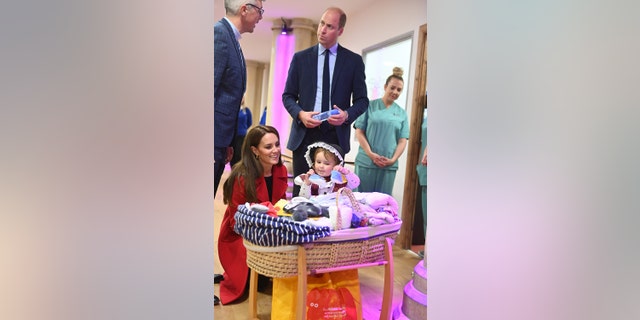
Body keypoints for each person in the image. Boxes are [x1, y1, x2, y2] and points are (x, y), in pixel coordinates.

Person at [283, 7, 369, 196]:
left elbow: (363, 101)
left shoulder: (353, 61)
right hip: (304, 135)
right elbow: (287, 96)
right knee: (302, 193)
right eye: (322, 23)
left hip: (334, 137)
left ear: (340, 31)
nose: (322, 29)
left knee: (331, 195)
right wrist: (300, 114)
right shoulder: (300, 59)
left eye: (329, 26)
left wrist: (346, 115)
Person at [217, 125, 288, 304]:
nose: (276, 150)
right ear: (255, 150)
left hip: (270, 226)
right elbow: (236, 222)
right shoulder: (242, 177)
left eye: (277, 144)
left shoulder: (281, 170)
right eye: (268, 147)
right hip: (240, 232)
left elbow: (281, 206)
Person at [214, 0, 265, 196]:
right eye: (260, 11)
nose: (261, 17)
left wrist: (228, 143)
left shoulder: (232, 39)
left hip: (221, 142)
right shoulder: (219, 34)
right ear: (244, 9)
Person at [354, 67, 409, 195]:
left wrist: (393, 159)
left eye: (399, 90)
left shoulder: (402, 114)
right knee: (362, 201)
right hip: (366, 162)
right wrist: (370, 154)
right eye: (392, 87)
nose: (395, 92)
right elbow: (359, 132)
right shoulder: (369, 106)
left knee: (383, 204)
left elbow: (403, 140)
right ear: (385, 87)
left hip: (388, 165)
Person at [294, 142, 360, 198]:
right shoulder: (310, 178)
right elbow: (304, 198)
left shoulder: (340, 180)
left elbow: (355, 183)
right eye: (318, 162)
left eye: (326, 163)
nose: (321, 166)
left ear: (336, 165)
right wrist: (307, 183)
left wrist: (345, 172)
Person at [230, 96, 253, 167]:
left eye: (242, 97)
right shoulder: (232, 109)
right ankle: (233, 171)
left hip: (242, 136)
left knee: (239, 154)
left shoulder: (246, 110)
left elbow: (249, 122)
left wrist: (244, 128)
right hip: (233, 136)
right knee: (233, 154)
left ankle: (239, 171)